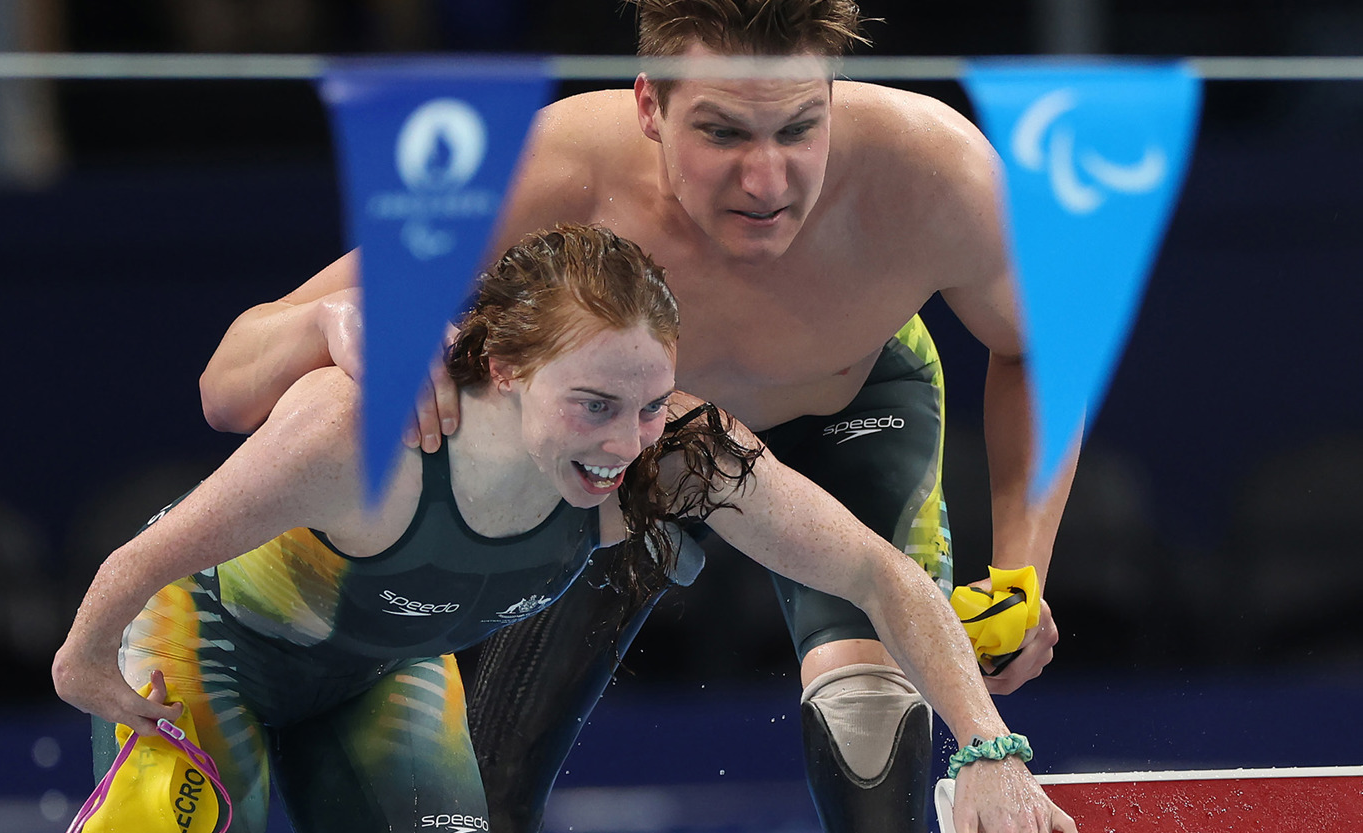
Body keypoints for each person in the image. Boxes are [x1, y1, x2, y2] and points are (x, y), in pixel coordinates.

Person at [198, 2, 1079, 831]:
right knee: (487, 795)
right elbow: (228, 380)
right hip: (634, 451)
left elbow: (1042, 350)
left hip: (854, 408)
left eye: (800, 127)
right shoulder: (551, 172)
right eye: (723, 131)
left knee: (869, 727)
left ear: (833, 99)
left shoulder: (937, 173)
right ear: (650, 105)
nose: (766, 179)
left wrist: (1023, 564)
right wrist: (330, 322)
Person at [56, 224, 1073, 833]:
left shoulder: (676, 454)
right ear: (504, 367)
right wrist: (88, 666)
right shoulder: (363, 429)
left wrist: (991, 746)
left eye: (648, 403)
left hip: (381, 670)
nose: (624, 444)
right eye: (592, 403)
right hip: (209, 644)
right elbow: (146, 558)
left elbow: (881, 574)